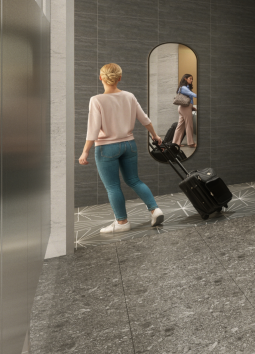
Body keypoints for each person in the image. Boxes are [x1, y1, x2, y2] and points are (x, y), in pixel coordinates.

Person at [79, 63, 165, 233]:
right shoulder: (129, 96)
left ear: (101, 77)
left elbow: (93, 129)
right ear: (119, 78)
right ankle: (155, 209)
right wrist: (155, 135)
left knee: (113, 186)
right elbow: (145, 119)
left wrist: (85, 151)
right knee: (134, 180)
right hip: (129, 145)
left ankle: (122, 222)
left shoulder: (96, 100)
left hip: (106, 148)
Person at [173, 73, 197, 147]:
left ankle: (175, 143)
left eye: (192, 79)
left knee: (180, 126)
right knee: (189, 125)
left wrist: (191, 107)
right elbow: (193, 94)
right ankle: (191, 143)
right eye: (190, 78)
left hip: (183, 108)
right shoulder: (183, 88)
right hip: (185, 108)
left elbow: (188, 98)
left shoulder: (184, 87)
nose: (191, 80)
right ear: (185, 78)